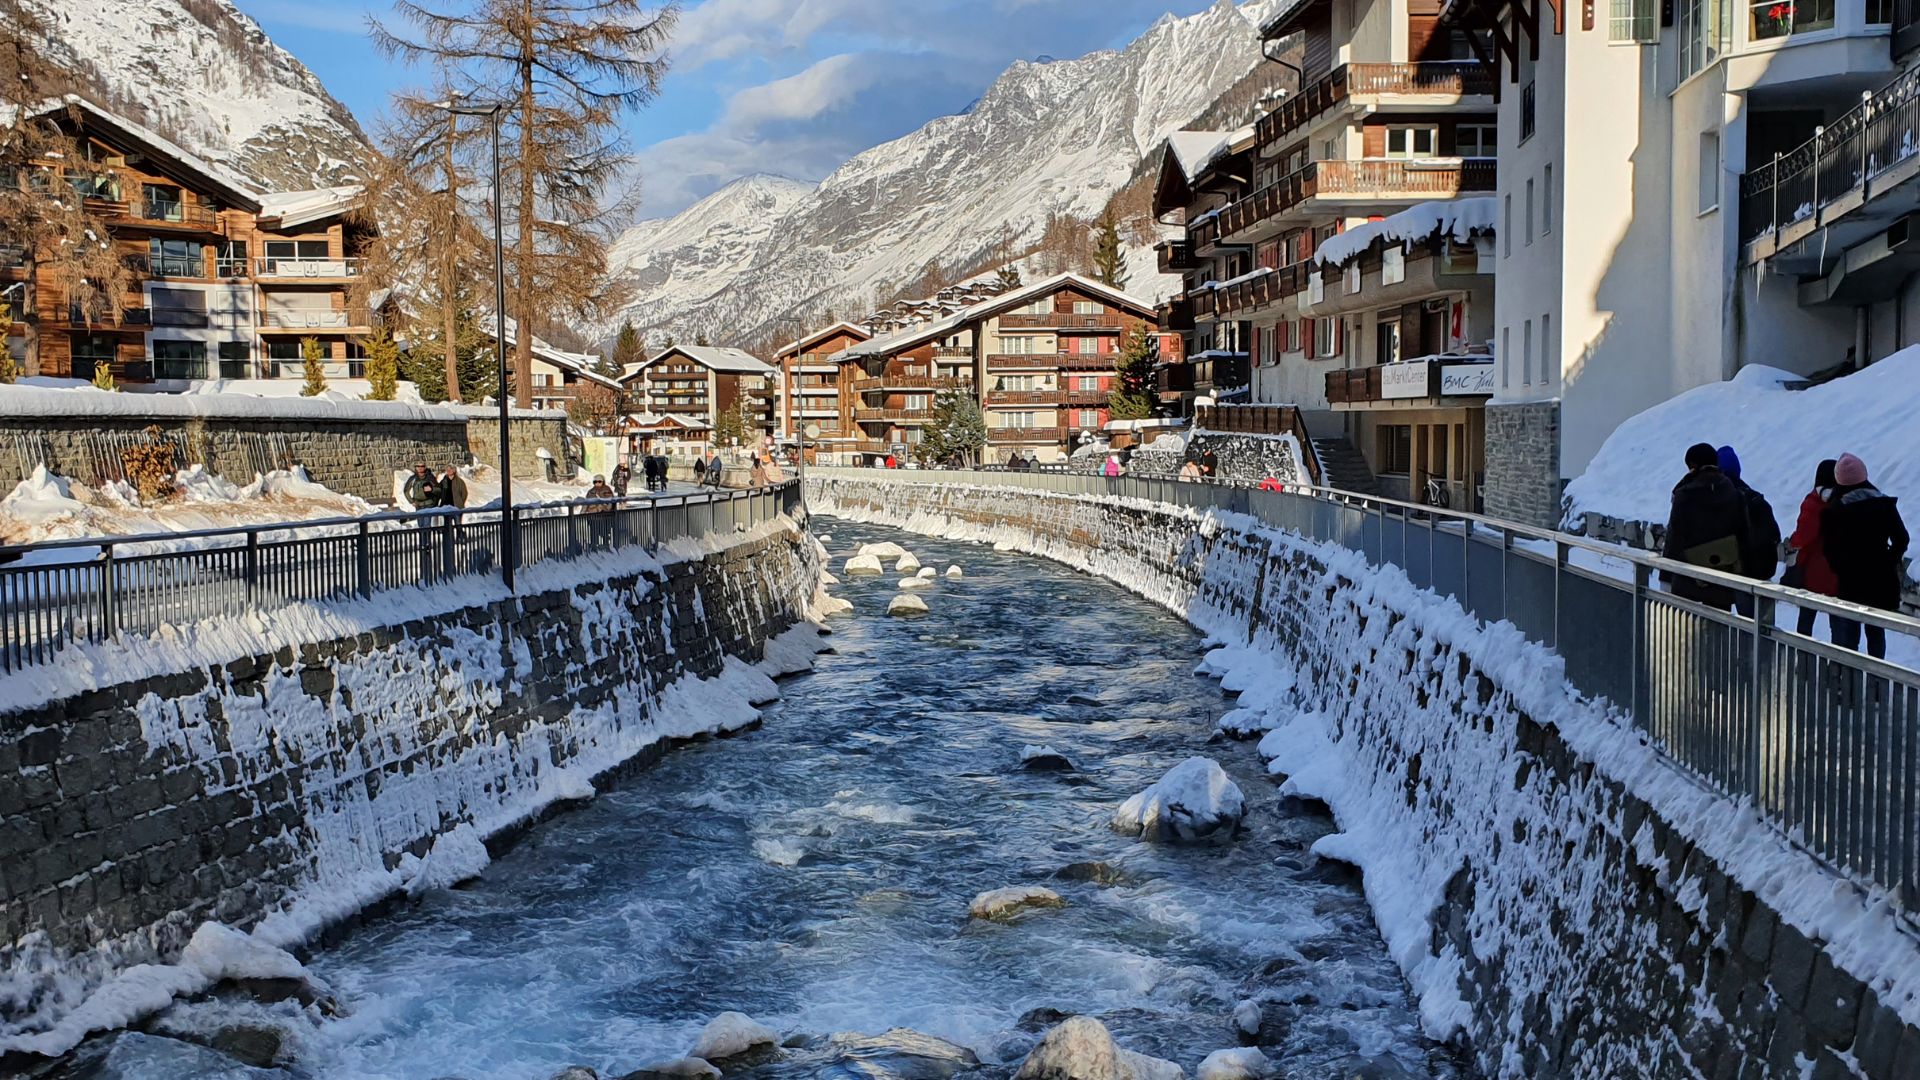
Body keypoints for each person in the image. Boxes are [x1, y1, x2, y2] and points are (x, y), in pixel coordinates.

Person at [1821, 452, 1909, 660]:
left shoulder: (1836, 510)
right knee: (1876, 633)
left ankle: (1851, 681)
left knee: (1850, 634)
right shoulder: (1883, 504)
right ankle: (1876, 681)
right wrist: (1889, 560)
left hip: (1850, 582)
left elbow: (1829, 549)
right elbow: (1902, 539)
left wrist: (1841, 567)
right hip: (1880, 579)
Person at [1660, 442, 1749, 610]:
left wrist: (1665, 576)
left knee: (1683, 632)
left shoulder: (1684, 494)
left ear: (1694, 466)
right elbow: (1742, 532)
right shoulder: (1733, 493)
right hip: (1723, 577)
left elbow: (1674, 538)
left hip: (1688, 579)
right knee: (1720, 632)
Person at [1785, 459, 1840, 636]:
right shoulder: (1844, 500)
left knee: (1806, 618)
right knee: (1838, 620)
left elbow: (1804, 536)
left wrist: (1791, 544)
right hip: (1838, 570)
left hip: (1813, 569)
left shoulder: (1814, 502)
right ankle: (1839, 660)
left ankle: (1803, 659)